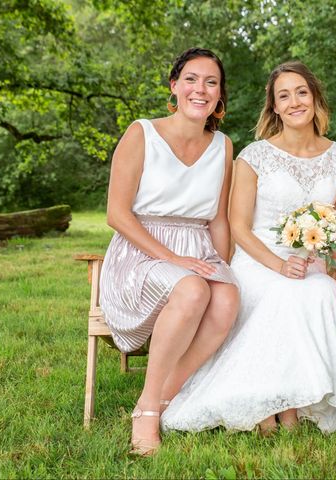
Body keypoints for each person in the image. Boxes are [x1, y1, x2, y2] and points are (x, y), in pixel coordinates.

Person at [161, 61, 336, 434]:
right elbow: (238, 226)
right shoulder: (254, 156)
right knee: (283, 292)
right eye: (284, 95)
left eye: (301, 92)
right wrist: (279, 265)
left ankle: (292, 401)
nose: (294, 101)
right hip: (258, 259)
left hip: (310, 263)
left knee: (319, 292)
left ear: (315, 98)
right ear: (274, 107)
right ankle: (270, 403)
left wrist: (333, 270)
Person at [99, 47, 239, 456]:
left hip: (197, 248)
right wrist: (171, 258)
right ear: (174, 86)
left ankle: (164, 399)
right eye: (192, 79)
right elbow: (116, 214)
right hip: (139, 252)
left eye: (211, 82)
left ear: (219, 96)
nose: (201, 89)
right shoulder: (142, 132)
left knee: (227, 297)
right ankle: (145, 411)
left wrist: (223, 267)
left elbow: (218, 219)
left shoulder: (224, 146)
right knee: (193, 290)